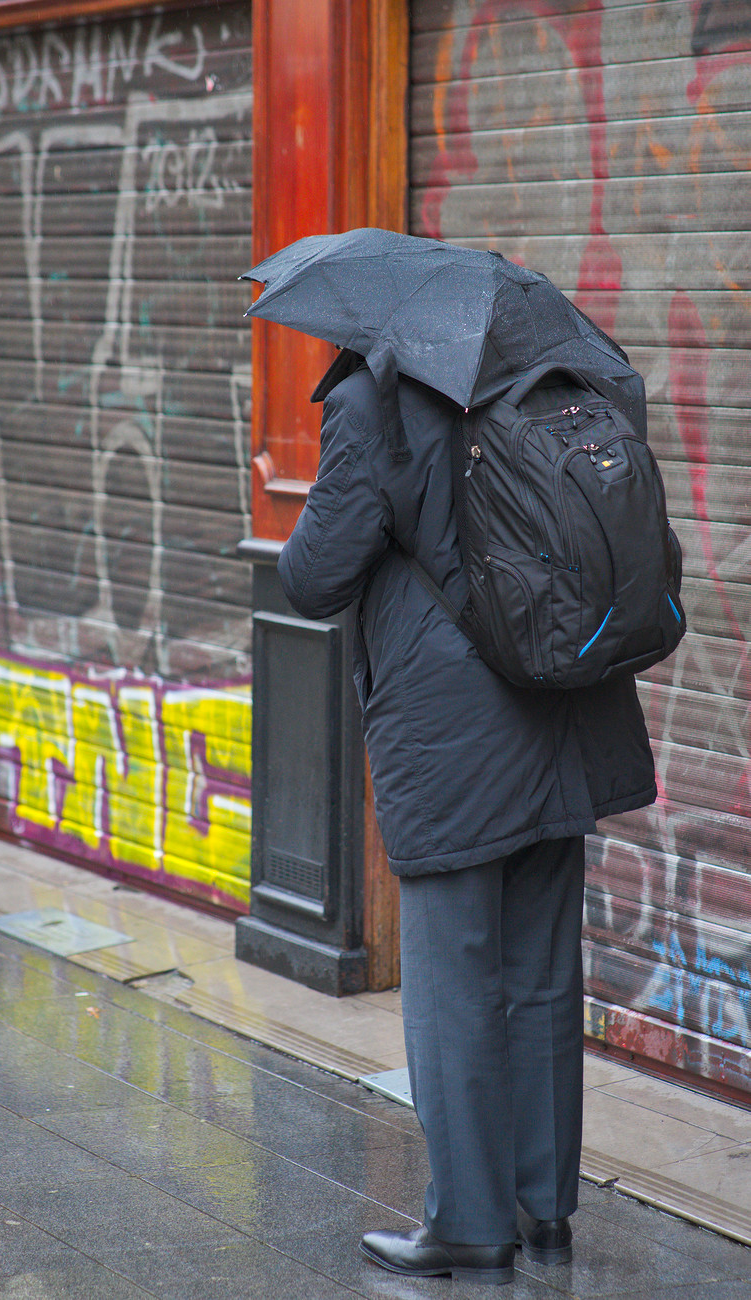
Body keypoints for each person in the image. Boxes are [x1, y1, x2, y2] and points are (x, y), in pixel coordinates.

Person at [277, 356, 657, 1286]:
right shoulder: (558, 379)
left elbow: (314, 577)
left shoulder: (376, 401)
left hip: (451, 741)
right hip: (567, 707)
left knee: (452, 988)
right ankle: (545, 1212)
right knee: (538, 975)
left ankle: (469, 1223)